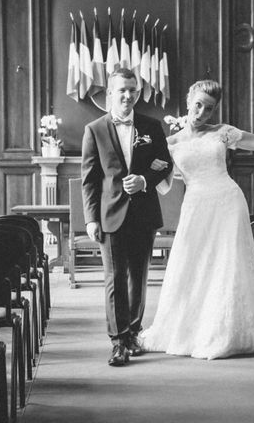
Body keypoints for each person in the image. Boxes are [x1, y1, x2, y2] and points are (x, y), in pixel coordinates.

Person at [141, 79, 254, 359]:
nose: (202, 113)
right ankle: (191, 331)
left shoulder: (223, 133)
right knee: (191, 264)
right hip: (195, 205)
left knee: (226, 265)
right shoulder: (170, 143)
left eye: (209, 109)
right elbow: (161, 182)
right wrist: (149, 166)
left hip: (228, 202)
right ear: (189, 100)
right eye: (198, 105)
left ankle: (224, 333)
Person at [81, 68, 173, 366]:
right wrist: (91, 219)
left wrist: (145, 179)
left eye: (132, 90)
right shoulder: (94, 130)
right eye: (122, 90)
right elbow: (90, 180)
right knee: (115, 278)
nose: (128, 95)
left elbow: (165, 164)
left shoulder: (152, 126)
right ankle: (118, 341)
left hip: (144, 213)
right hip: (110, 214)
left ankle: (134, 331)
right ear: (110, 93)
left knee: (139, 277)